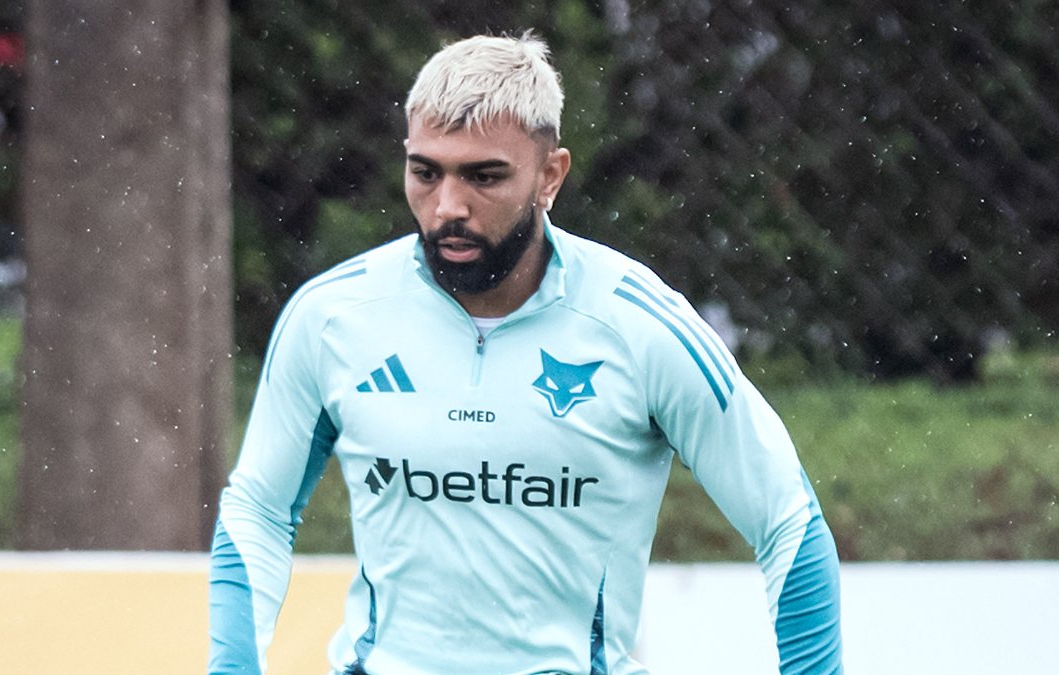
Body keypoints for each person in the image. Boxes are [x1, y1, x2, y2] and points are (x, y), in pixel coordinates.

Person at [208, 32, 842, 674]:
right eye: (425, 172)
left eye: (484, 176)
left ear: (550, 175)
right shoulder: (332, 317)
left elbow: (787, 519)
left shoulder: (639, 324)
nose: (448, 206)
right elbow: (257, 506)